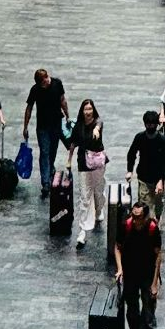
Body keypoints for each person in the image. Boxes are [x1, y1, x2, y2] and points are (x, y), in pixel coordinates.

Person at [112, 194, 162, 329]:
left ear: (146, 217)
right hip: (131, 276)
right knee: (132, 312)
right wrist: (120, 269)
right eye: (134, 216)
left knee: (148, 321)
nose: (136, 220)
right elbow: (118, 248)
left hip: (147, 276)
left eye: (139, 217)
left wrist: (155, 282)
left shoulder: (152, 229)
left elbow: (158, 255)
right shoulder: (126, 226)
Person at [64, 98, 106, 250]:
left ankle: (99, 209)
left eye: (90, 109)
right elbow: (73, 144)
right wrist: (69, 160)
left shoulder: (98, 122)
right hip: (83, 162)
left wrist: (96, 130)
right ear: (82, 111)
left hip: (97, 162)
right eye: (85, 109)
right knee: (85, 196)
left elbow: (99, 124)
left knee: (98, 191)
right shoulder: (78, 126)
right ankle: (83, 230)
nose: (88, 112)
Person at [23, 68, 67, 197]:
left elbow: (62, 100)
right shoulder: (35, 90)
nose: (47, 82)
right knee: (44, 152)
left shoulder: (57, 84)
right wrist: (25, 126)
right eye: (43, 81)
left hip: (56, 124)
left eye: (47, 79)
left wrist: (67, 115)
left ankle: (50, 168)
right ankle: (45, 182)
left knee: (53, 150)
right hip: (42, 126)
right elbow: (29, 108)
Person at [126, 110, 165, 221]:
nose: (150, 127)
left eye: (152, 124)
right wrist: (130, 170)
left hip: (158, 178)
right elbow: (132, 153)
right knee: (145, 205)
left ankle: (156, 218)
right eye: (148, 124)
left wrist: (162, 179)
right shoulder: (140, 137)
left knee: (158, 204)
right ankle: (149, 224)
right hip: (144, 176)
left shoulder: (163, 141)